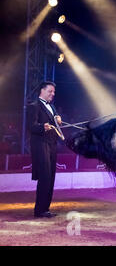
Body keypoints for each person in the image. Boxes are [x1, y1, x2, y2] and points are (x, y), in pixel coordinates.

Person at [27, 81, 62, 218]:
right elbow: (31, 126)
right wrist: (43, 127)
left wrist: (58, 119)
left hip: (52, 144)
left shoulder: (52, 107)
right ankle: (39, 210)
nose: (52, 94)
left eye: (53, 92)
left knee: (51, 176)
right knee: (45, 176)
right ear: (42, 90)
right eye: (50, 91)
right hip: (40, 144)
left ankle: (45, 208)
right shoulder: (33, 106)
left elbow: (55, 121)